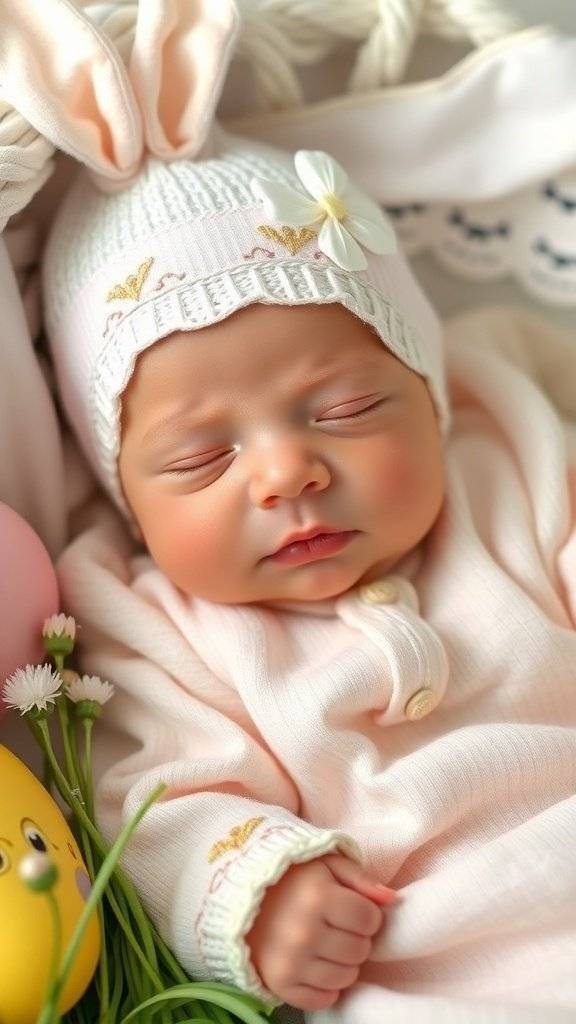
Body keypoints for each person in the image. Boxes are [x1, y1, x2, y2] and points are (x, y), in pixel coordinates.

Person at [41, 127, 576, 1023]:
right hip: (435, 972)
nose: (286, 473)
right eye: (202, 459)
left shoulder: (508, 473)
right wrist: (259, 890)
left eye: (348, 409)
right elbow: (156, 807)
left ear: (431, 391)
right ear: (124, 495)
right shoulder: (156, 628)